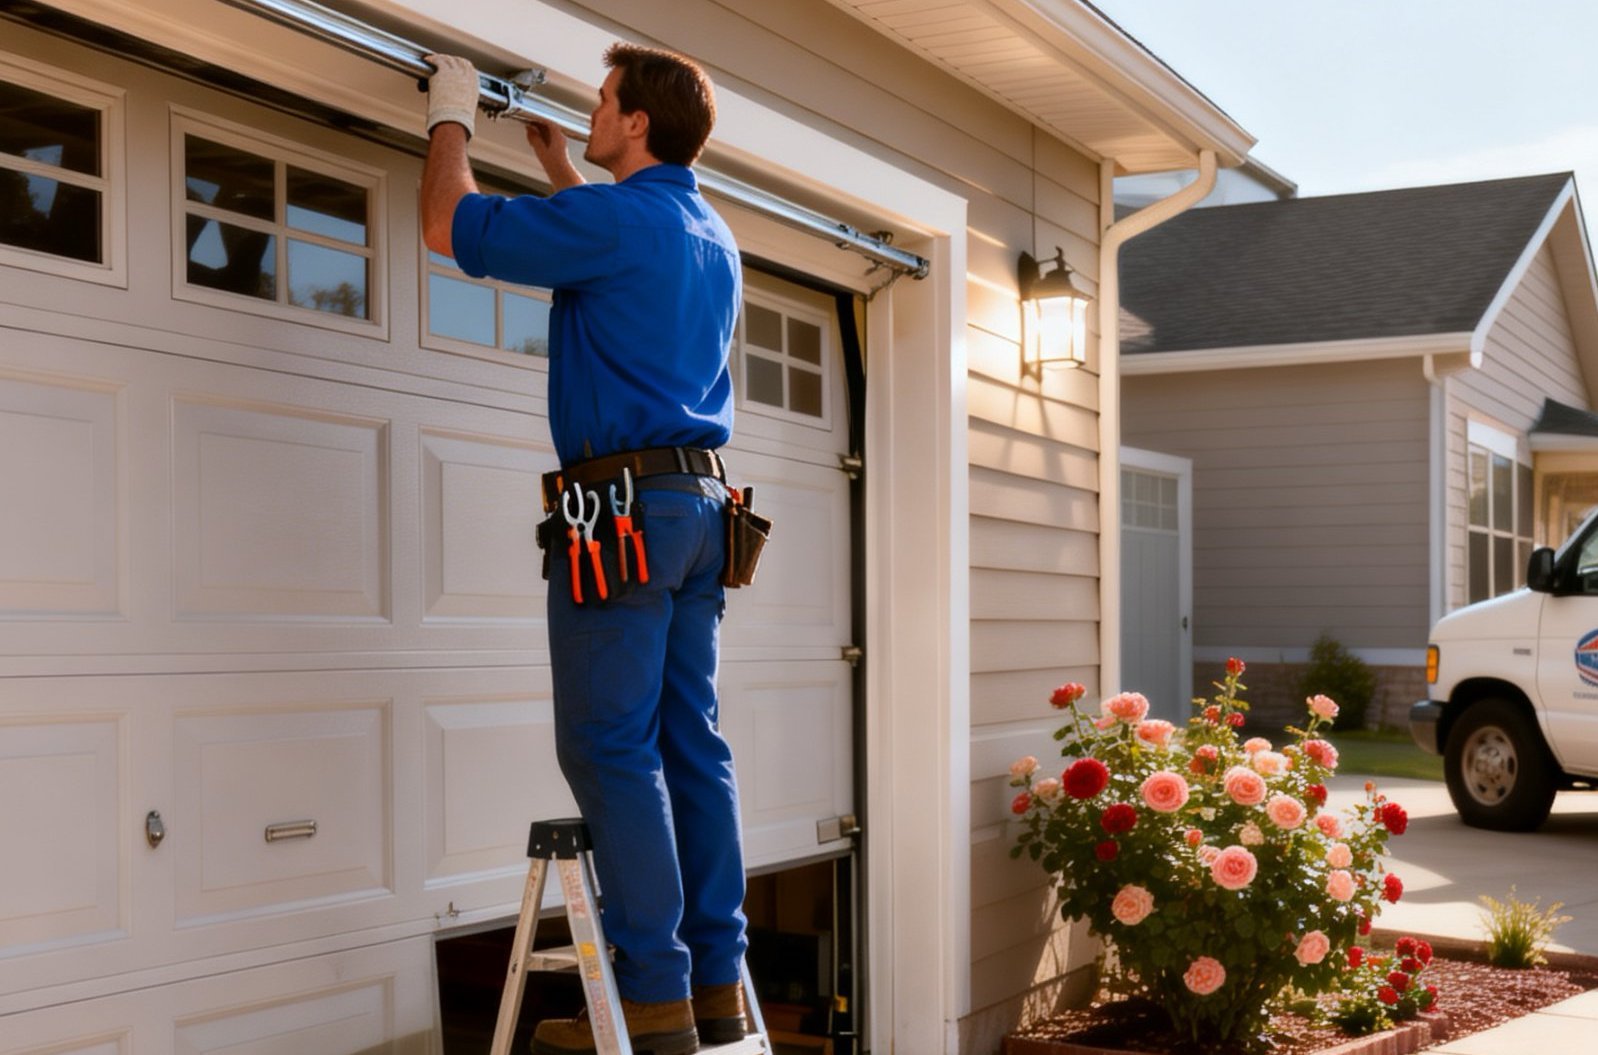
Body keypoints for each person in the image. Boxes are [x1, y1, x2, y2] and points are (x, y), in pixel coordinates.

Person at [420, 45, 747, 1055]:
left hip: (624, 513)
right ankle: (717, 984)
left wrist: (449, 113)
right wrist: (564, 167)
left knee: (610, 746)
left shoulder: (616, 222)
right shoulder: (710, 232)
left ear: (638, 121)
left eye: (605, 101)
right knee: (692, 744)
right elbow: (623, 258)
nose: (594, 110)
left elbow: (448, 225)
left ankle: (650, 995)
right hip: (700, 508)